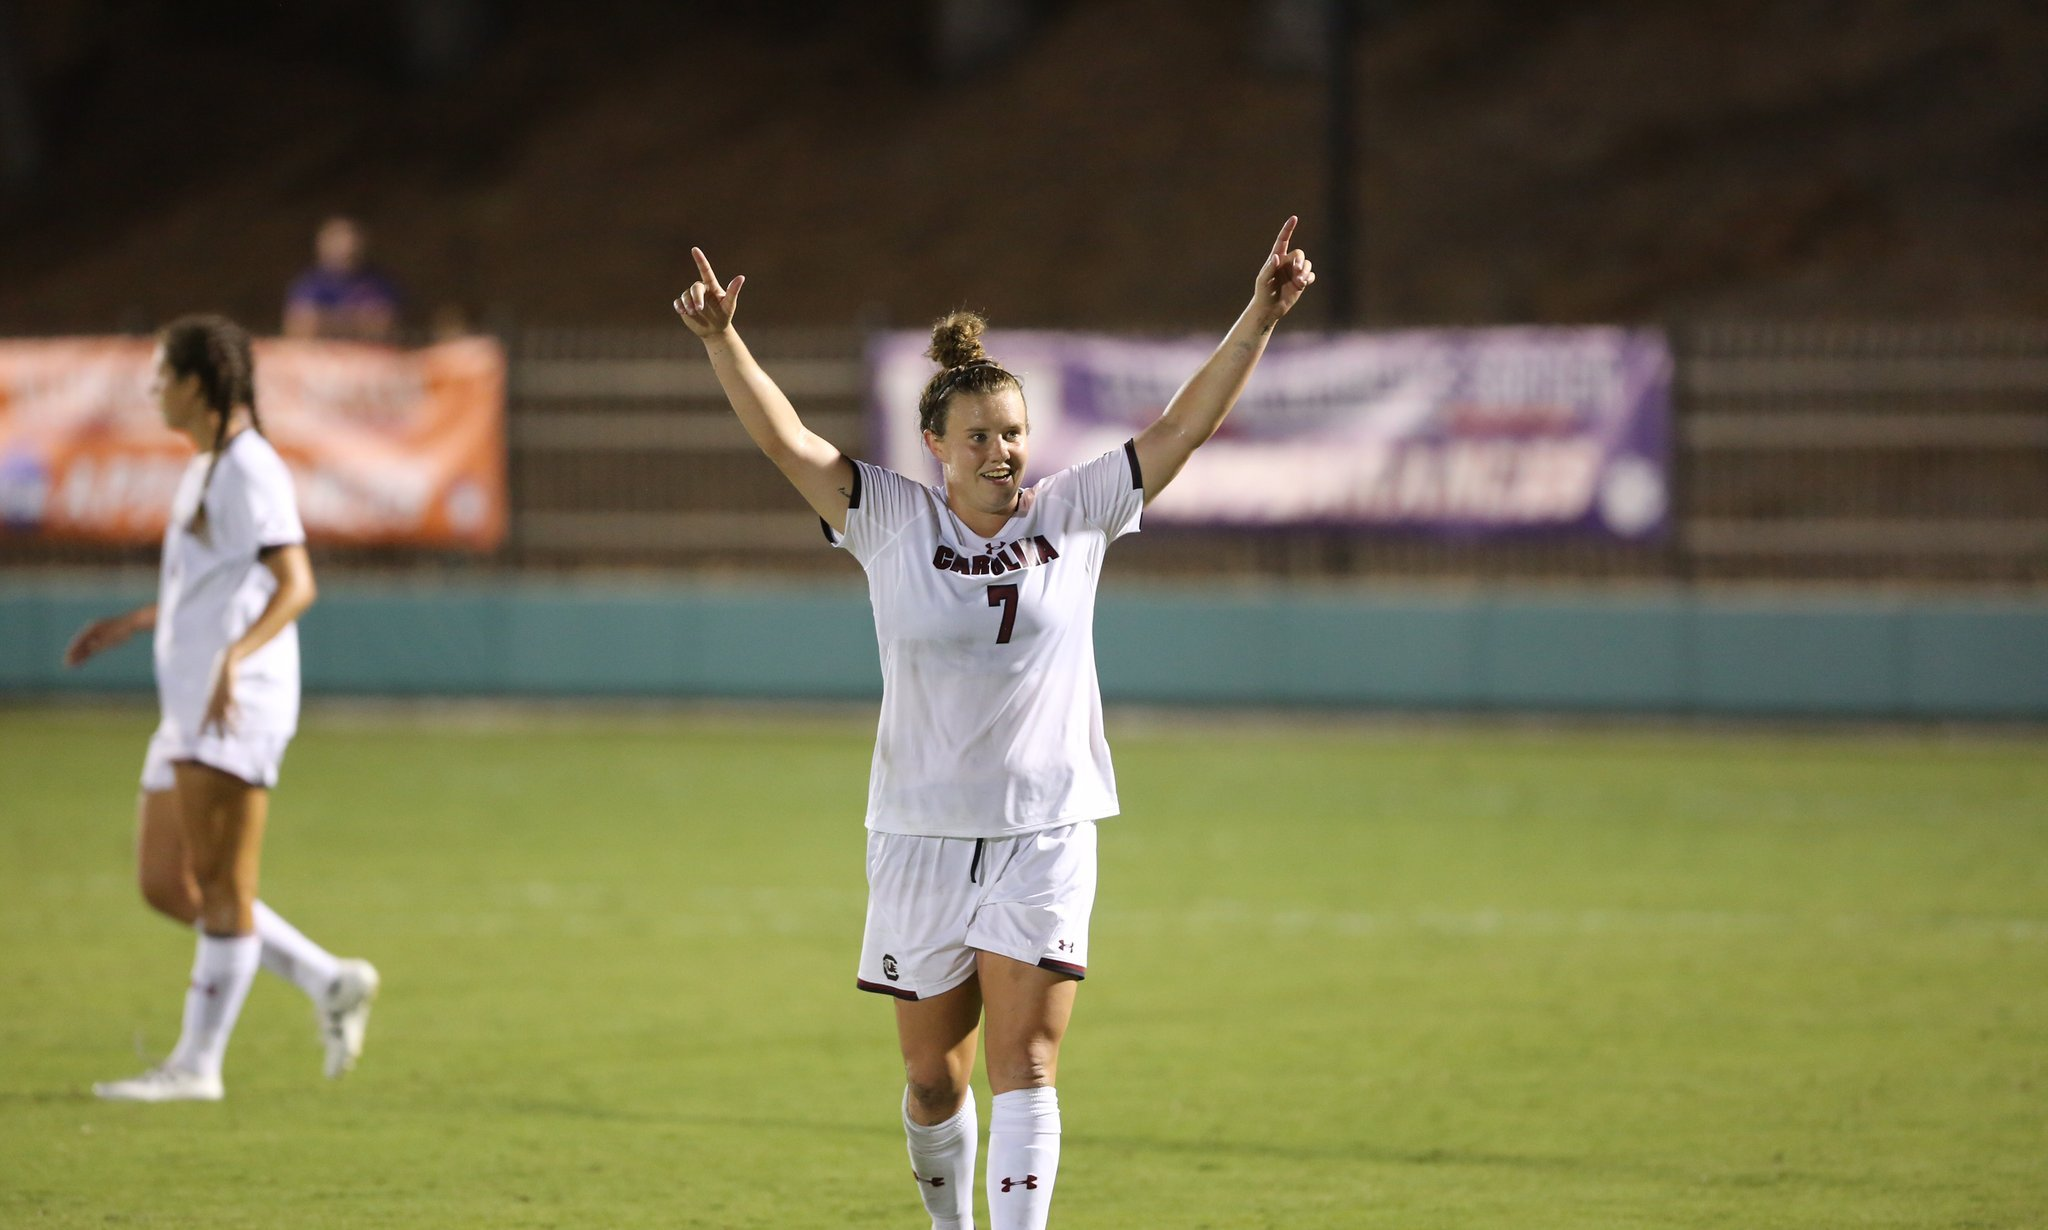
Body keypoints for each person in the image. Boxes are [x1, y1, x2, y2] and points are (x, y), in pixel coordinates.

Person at [673, 219, 1314, 1229]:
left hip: (1042, 828)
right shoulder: (886, 516)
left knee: (1028, 1064)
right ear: (933, 444)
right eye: (977, 435)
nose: (1000, 451)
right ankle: (949, 1221)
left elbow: (1180, 427)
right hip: (918, 835)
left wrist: (1261, 315)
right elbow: (785, 440)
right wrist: (721, 343)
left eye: (1012, 432)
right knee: (935, 1081)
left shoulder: (1074, 510)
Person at [65, 314, 378, 1102]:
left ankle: (197, 1066)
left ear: (198, 384)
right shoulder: (205, 465)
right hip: (189, 704)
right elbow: (212, 582)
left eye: (163, 375)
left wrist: (235, 658)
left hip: (234, 706)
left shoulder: (249, 469)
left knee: (224, 886)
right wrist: (140, 621)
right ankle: (326, 977)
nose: (152, 389)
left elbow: (296, 583)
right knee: (168, 884)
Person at [282, 215, 402, 342]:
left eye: (351, 239)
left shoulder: (378, 284)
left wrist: (325, 321)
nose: (346, 247)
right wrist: (357, 322)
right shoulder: (308, 284)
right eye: (336, 239)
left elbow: (382, 327)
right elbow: (300, 328)